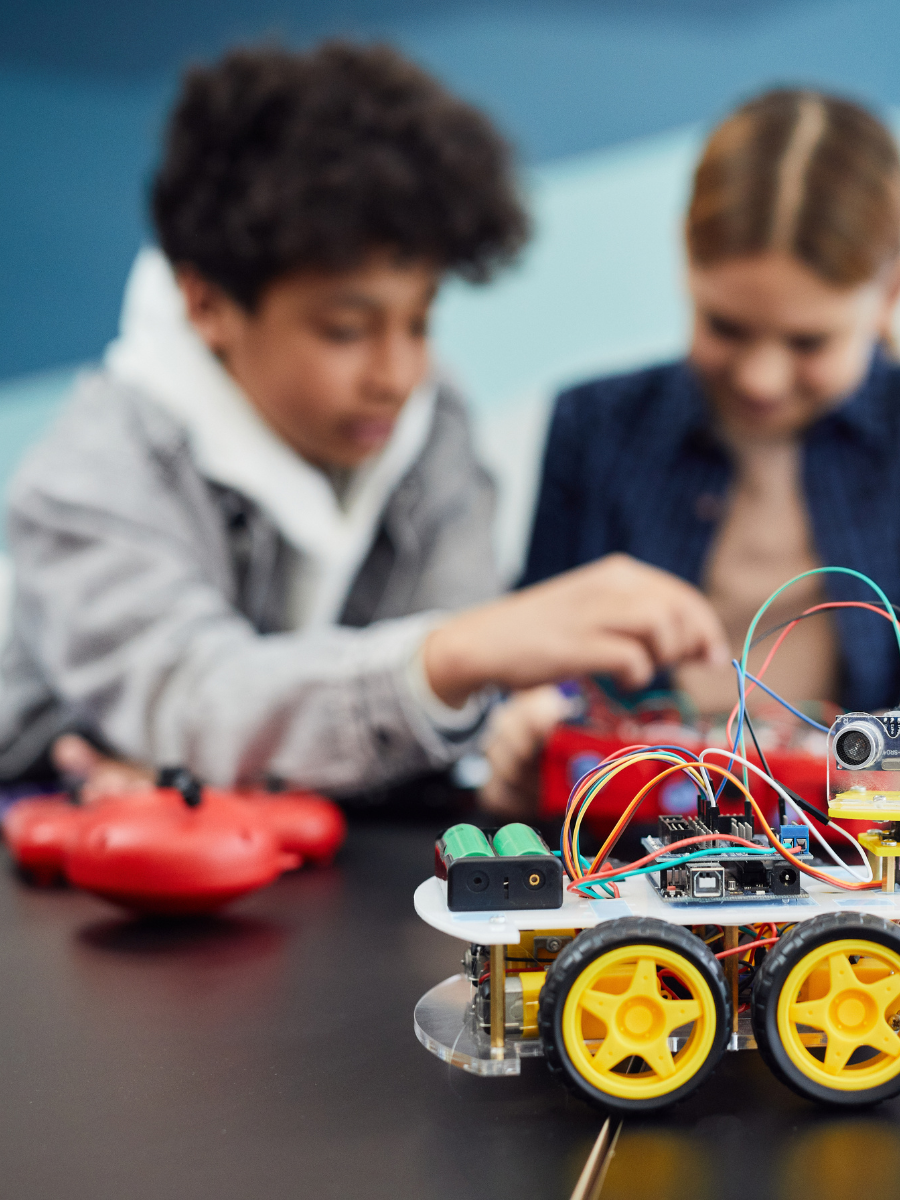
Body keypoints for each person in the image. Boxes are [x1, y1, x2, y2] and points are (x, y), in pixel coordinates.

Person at [0, 42, 727, 801]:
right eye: (346, 330)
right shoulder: (86, 478)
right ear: (207, 304)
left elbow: (460, 694)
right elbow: (191, 701)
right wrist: (448, 656)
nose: (396, 375)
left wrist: (511, 729)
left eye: (419, 322)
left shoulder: (429, 420)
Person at [484, 87, 900, 814]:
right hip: (628, 837)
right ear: (685, 262)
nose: (762, 378)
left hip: (850, 851)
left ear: (888, 292)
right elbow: (538, 664)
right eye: (727, 326)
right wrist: (527, 732)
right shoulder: (595, 424)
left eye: (809, 342)